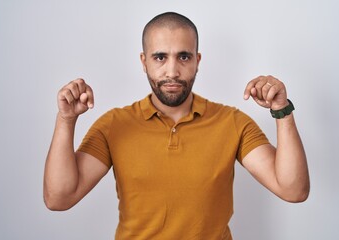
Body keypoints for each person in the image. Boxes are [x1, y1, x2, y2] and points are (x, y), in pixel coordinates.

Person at [43, 12, 310, 240]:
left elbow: (293, 190)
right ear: (143, 61)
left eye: (183, 57)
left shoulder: (232, 122)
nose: (172, 71)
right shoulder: (114, 125)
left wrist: (282, 111)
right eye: (160, 57)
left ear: (197, 60)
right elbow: (59, 198)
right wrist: (66, 120)